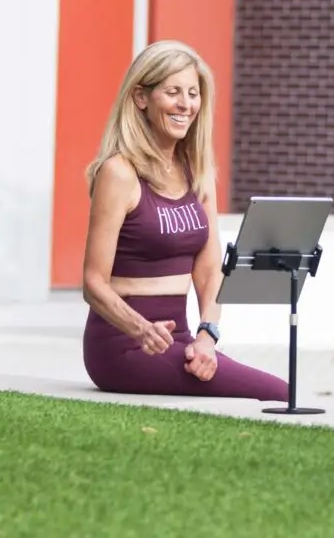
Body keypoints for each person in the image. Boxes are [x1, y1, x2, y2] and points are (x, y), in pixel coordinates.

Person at [82, 39, 288, 401]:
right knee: (277, 392)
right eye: (173, 92)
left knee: (278, 390)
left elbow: (210, 270)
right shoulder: (119, 173)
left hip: (182, 341)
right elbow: (93, 283)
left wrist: (208, 336)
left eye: (193, 93)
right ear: (141, 98)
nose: (186, 104)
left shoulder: (197, 171)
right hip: (124, 345)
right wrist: (141, 328)